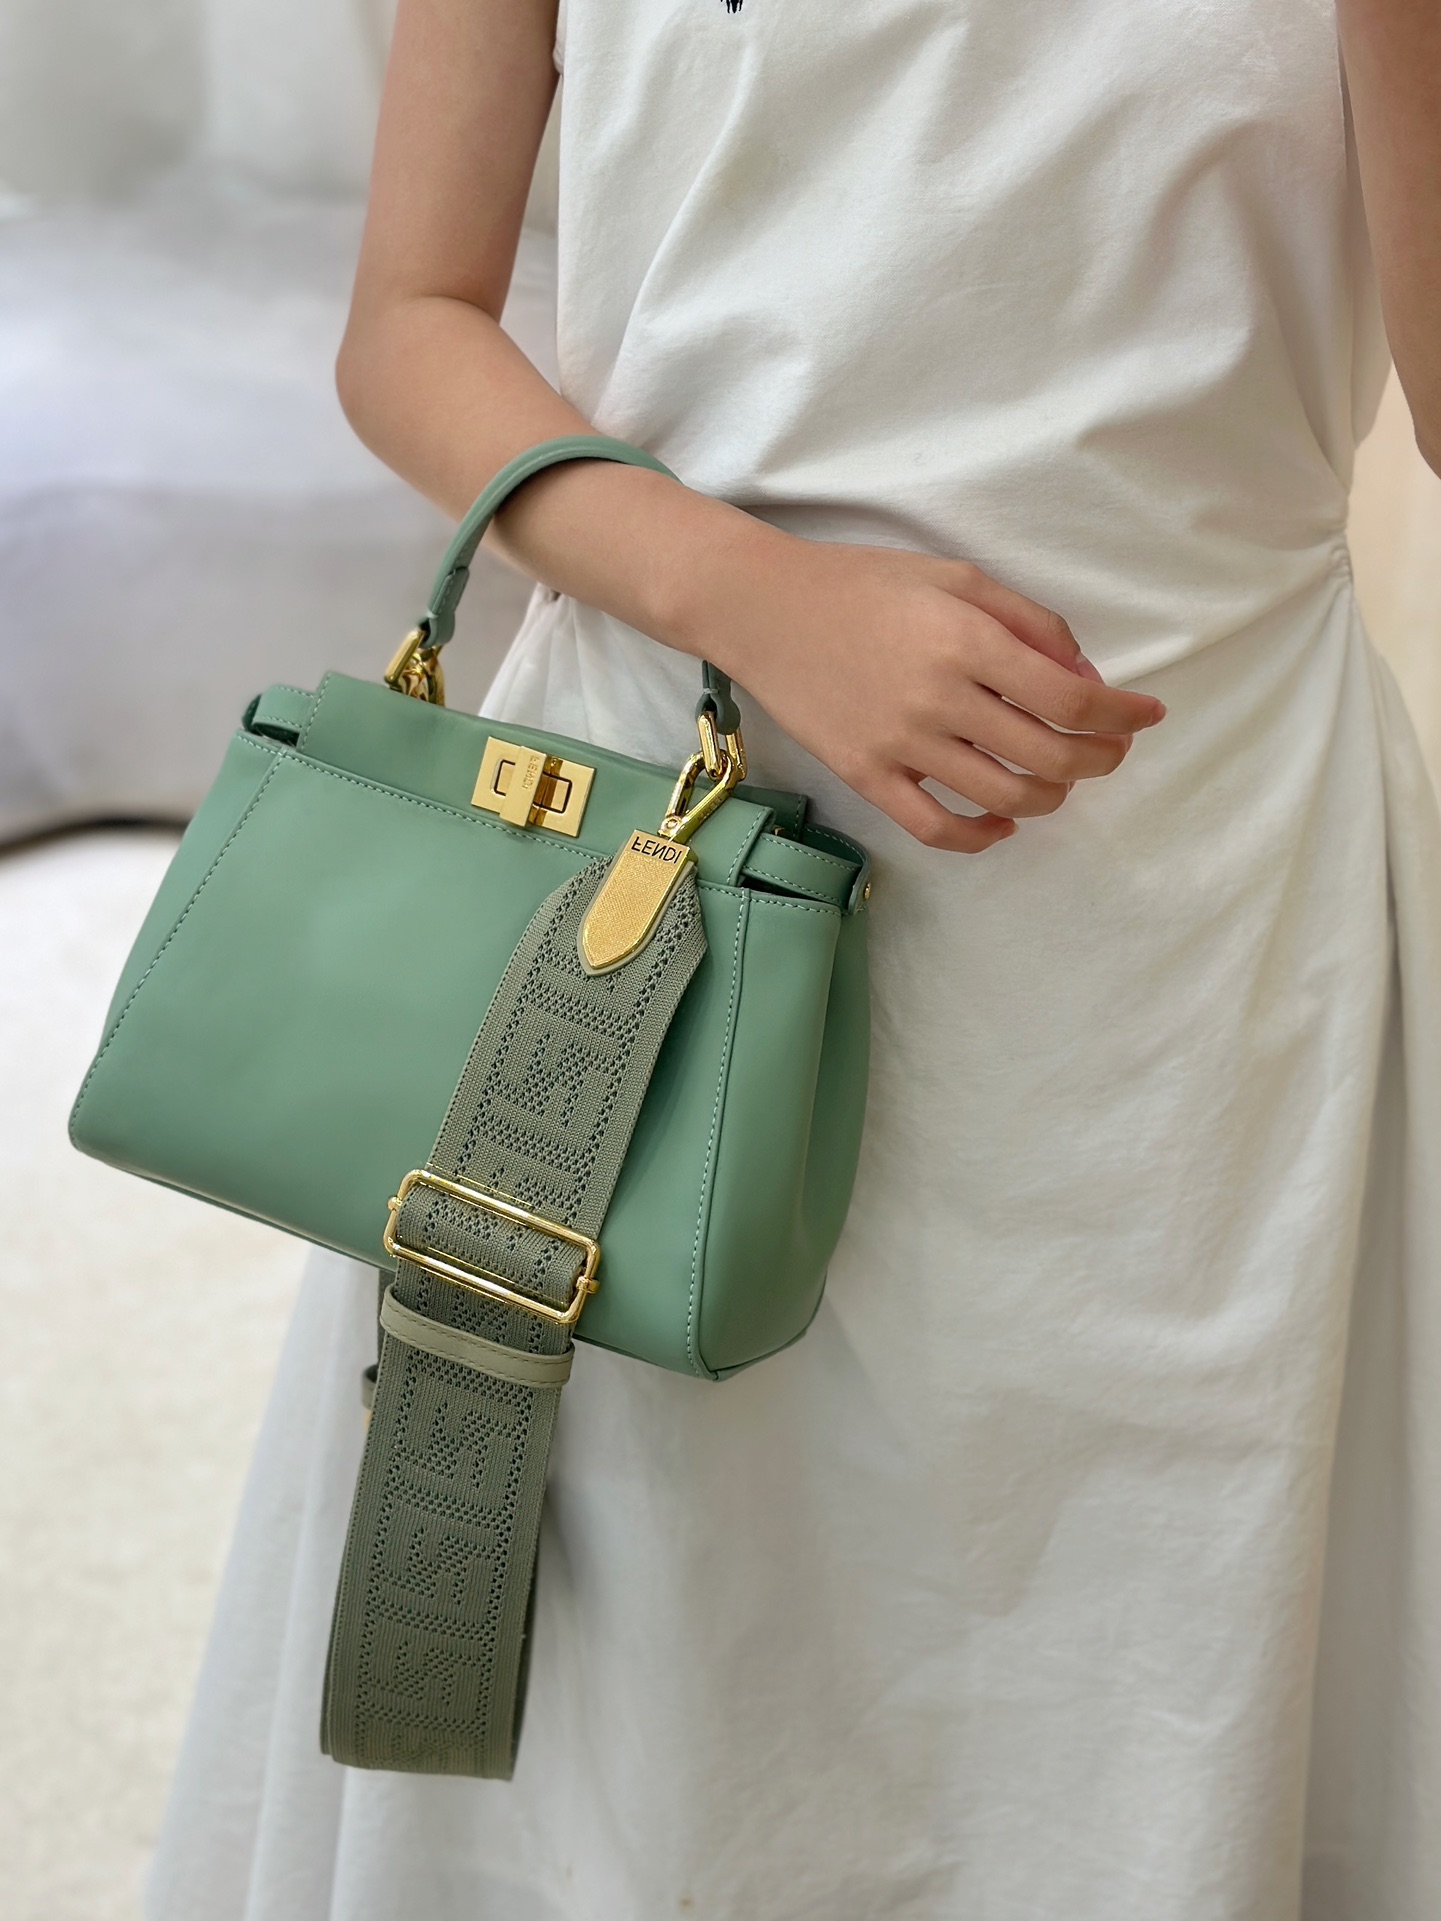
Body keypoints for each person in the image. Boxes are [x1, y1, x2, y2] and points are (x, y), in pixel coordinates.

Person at [147, 0, 1441, 1915]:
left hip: (1189, 949)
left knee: (1141, 1690)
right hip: (646, 894)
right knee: (648, 1691)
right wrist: (756, 597)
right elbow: (409, 323)